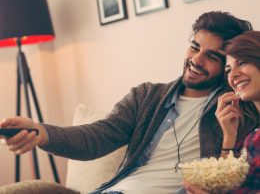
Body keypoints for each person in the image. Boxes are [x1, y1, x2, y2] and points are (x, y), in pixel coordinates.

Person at [0, 12, 258, 194]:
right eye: (194, 47)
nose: (196, 60)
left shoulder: (238, 109)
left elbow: (236, 177)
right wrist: (41, 132)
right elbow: (96, 137)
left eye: (212, 56)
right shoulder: (146, 96)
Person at [183, 31, 260, 194]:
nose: (233, 75)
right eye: (228, 70)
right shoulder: (249, 135)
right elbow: (225, 184)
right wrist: (229, 136)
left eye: (243, 62)